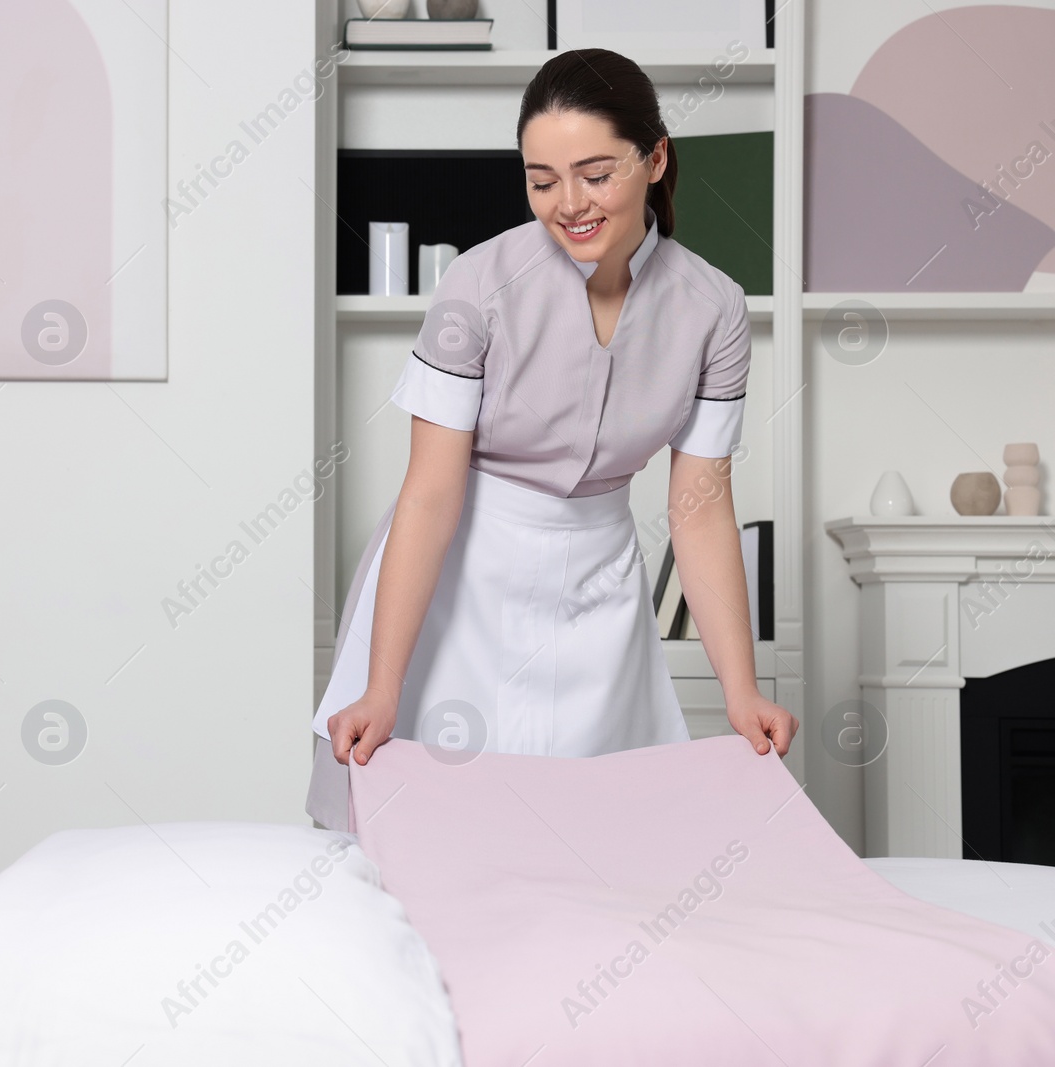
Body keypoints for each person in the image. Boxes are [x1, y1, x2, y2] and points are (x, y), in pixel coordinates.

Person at [306, 48, 798, 830]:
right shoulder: (478, 285)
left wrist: (740, 693)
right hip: (458, 580)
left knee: (593, 841)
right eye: (542, 180)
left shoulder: (714, 309)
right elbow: (430, 493)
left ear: (656, 159)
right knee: (442, 833)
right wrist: (382, 684)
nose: (569, 203)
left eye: (596, 174)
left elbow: (699, 506)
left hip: (600, 586)